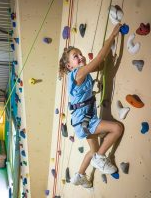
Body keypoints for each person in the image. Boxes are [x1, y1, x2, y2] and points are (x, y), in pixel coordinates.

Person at [59, 23, 124, 188]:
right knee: (117, 129)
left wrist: (104, 63)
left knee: (92, 152)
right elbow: (98, 60)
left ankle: (80, 175)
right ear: (69, 66)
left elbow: (100, 65)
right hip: (85, 122)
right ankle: (100, 160)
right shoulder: (78, 74)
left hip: (83, 123)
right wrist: (112, 36)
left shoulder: (83, 74)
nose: (80, 56)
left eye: (80, 54)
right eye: (75, 56)